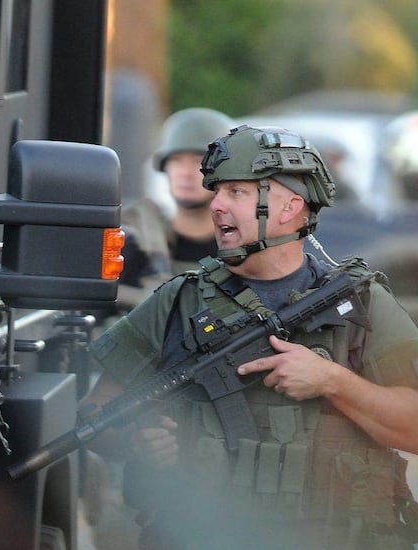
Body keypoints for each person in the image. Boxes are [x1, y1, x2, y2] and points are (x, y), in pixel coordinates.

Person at [82, 124, 418, 549]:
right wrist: (136, 438)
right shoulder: (177, 302)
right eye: (217, 191)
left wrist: (332, 380)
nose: (216, 205)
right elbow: (93, 415)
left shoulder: (362, 304)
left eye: (237, 192)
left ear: (290, 207)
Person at [117, 108, 234, 309]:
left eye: (198, 161)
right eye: (177, 161)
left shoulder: (243, 249)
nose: (185, 173)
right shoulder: (136, 244)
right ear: (165, 167)